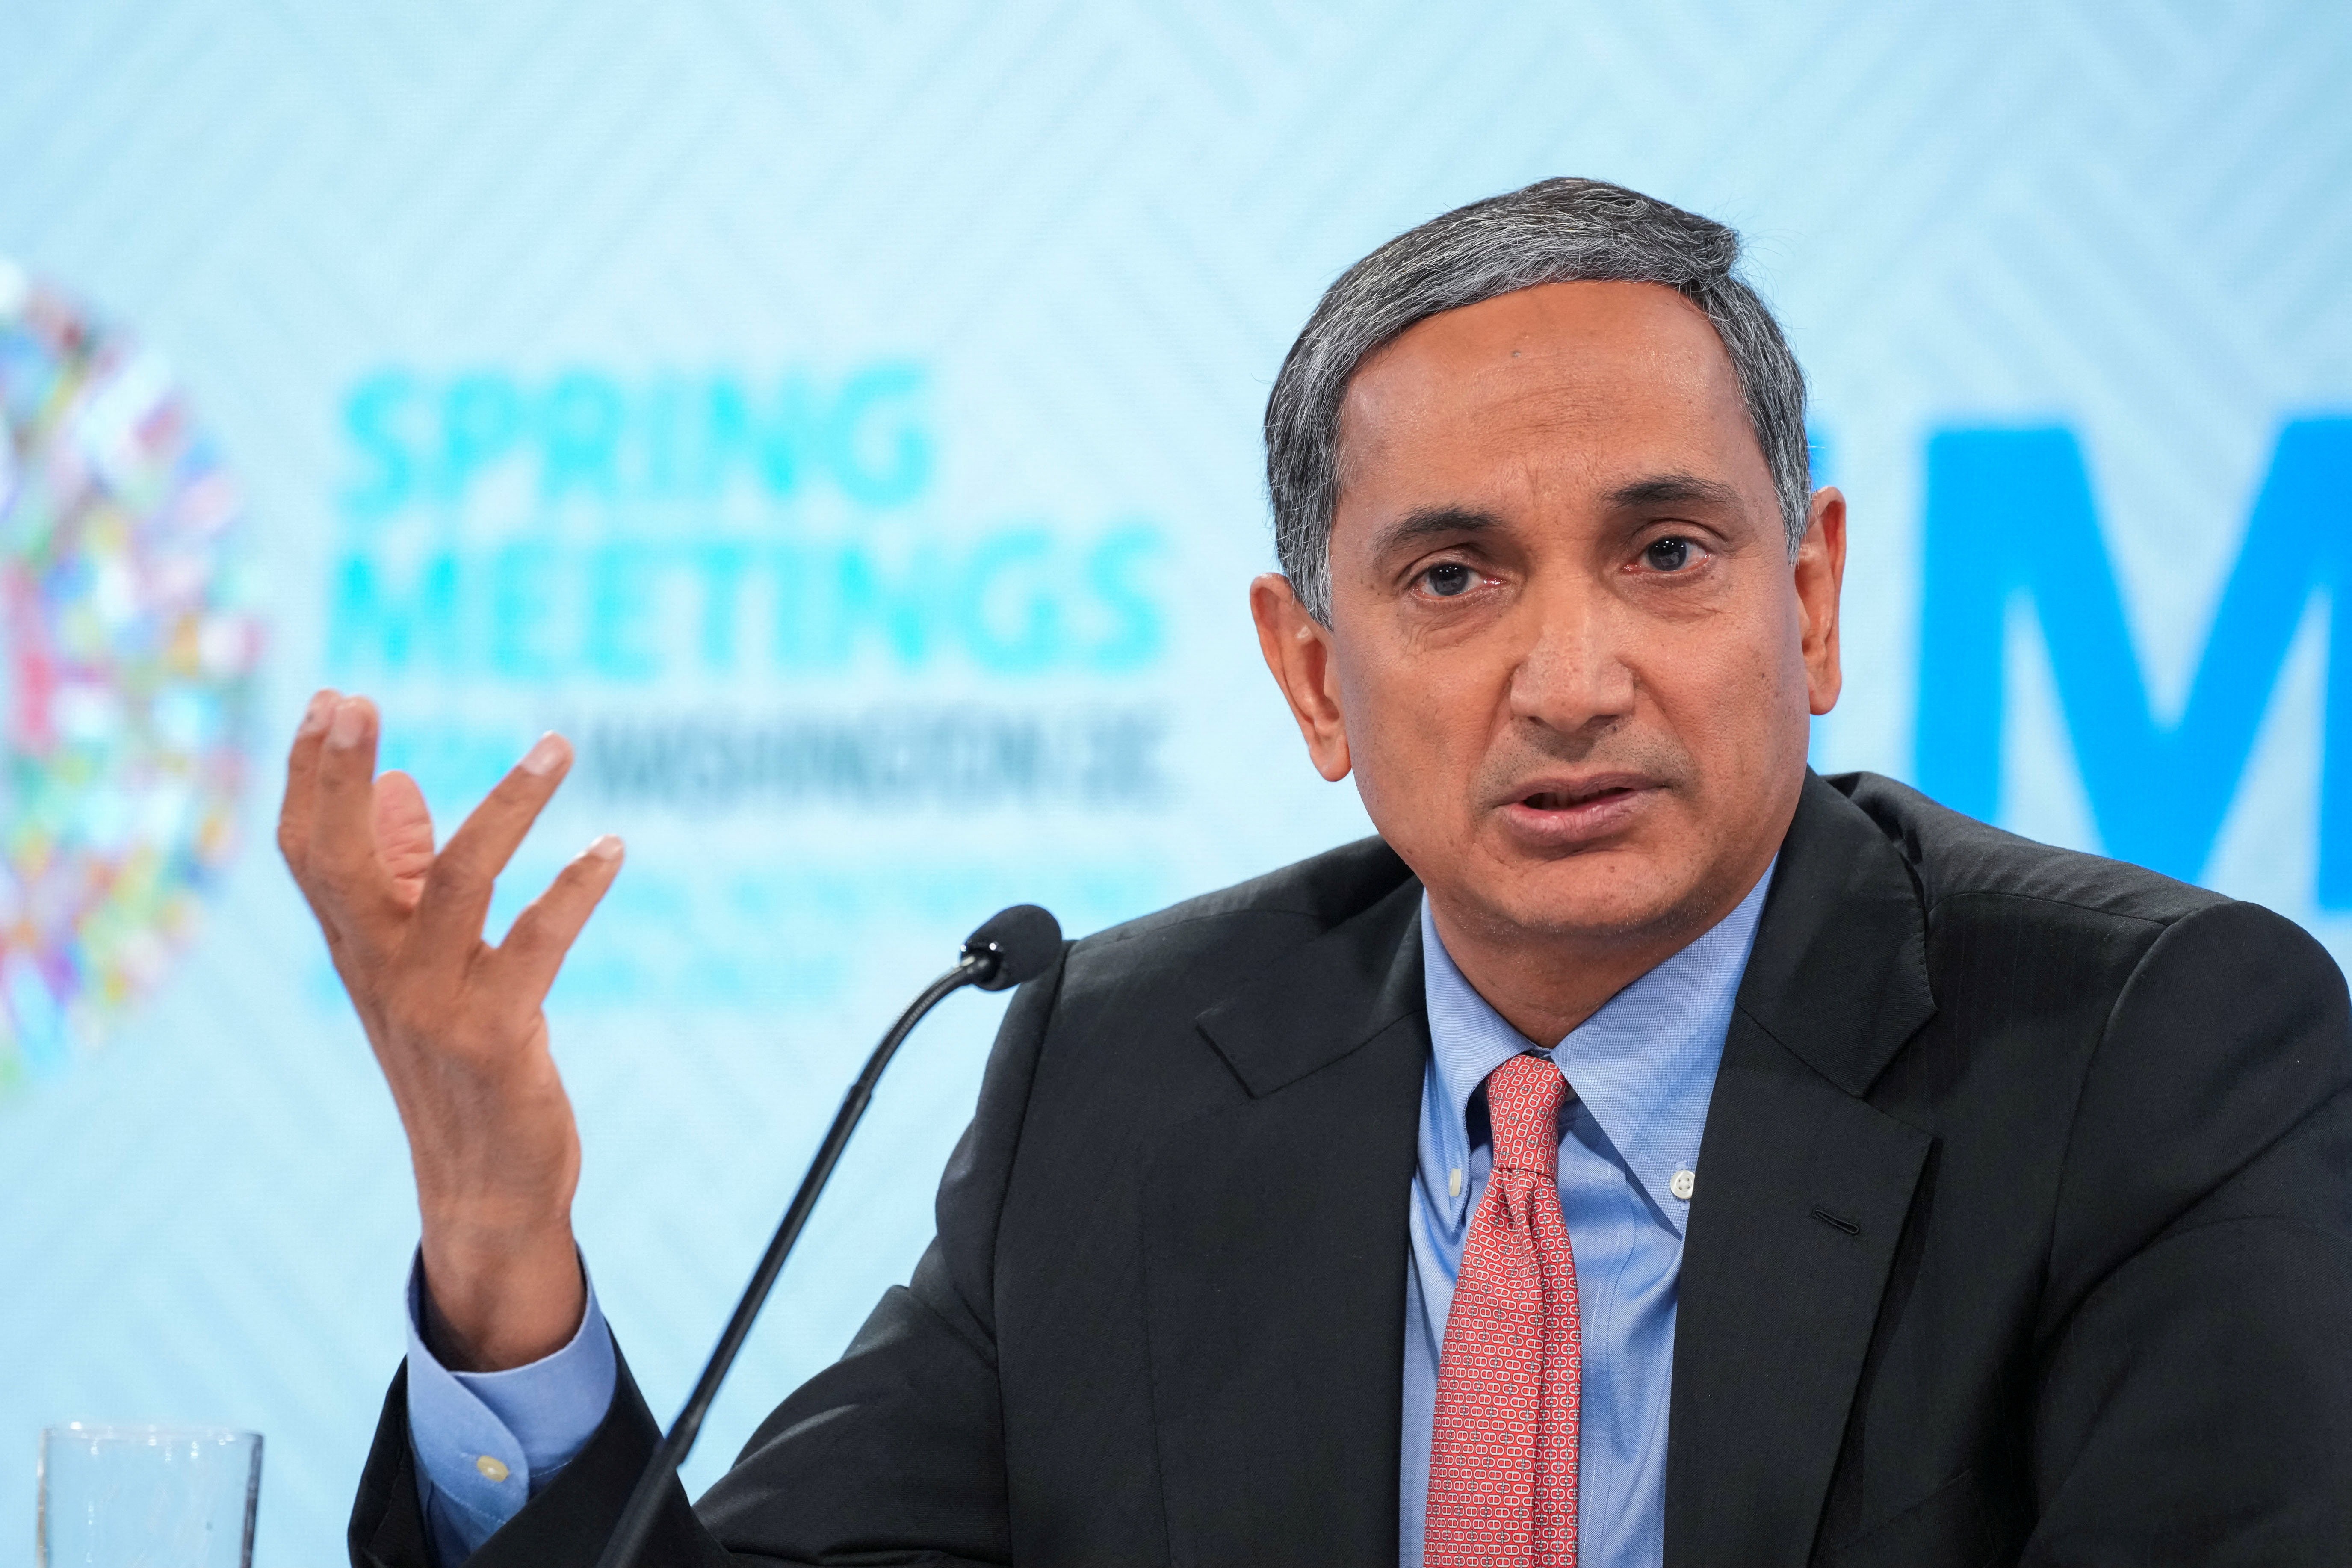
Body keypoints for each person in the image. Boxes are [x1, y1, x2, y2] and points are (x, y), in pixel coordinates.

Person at [284, 179, 2352, 1568]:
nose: (1572, 677)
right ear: (1310, 673)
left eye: (1665, 552)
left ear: (1807, 599)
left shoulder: (2146, 1053)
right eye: (1452, 576)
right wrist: (501, 1242)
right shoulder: (1122, 1068)